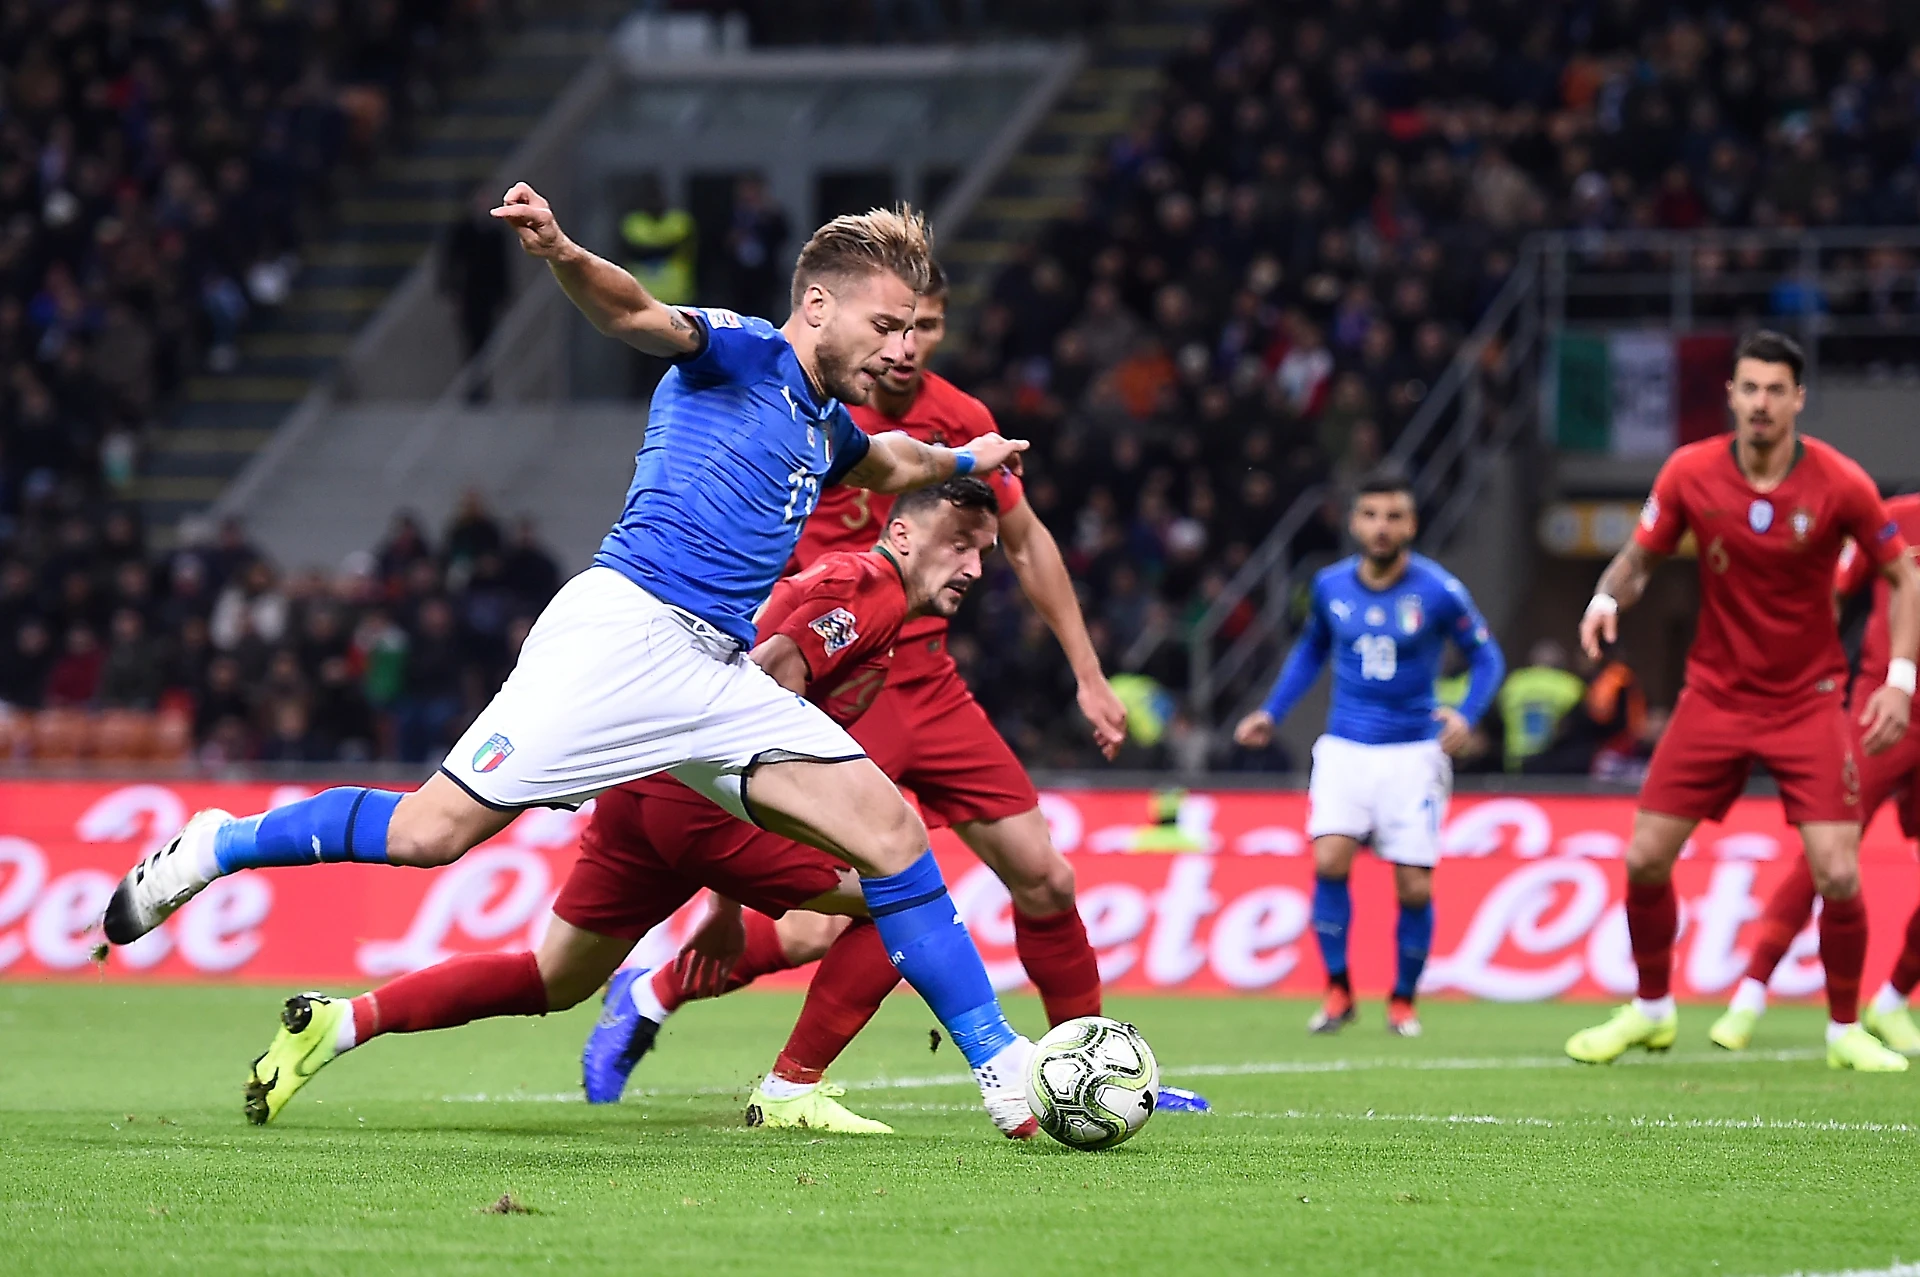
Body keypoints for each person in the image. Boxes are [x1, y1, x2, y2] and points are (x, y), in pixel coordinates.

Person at [105, 184, 1041, 1107]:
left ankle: (1005, 1071)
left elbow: (898, 460)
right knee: (429, 834)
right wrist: (561, 252)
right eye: (885, 326)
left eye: (910, 330)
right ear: (820, 305)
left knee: (893, 835)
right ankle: (220, 843)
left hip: (716, 672)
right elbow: (635, 313)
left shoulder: (826, 426)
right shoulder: (745, 352)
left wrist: (971, 458)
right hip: (623, 635)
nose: (901, 349)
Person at [577, 264, 1209, 1114]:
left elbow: (1025, 541)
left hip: (928, 683)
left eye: (928, 328)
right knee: (820, 921)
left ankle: (1089, 1069)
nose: (909, 346)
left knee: (1047, 878)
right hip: (829, 667)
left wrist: (1089, 673)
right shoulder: (818, 395)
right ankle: (667, 997)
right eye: (896, 327)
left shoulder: (963, 420)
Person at [244, 482, 1035, 1136]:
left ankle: (342, 1023)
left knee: (555, 976)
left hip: (644, 785)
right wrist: (724, 904)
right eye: (958, 543)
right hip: (699, 798)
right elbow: (759, 697)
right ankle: (793, 1086)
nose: (972, 565)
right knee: (893, 892)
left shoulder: (868, 595)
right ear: (902, 532)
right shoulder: (866, 589)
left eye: (984, 553)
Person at [1565, 330, 1920, 1073]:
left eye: (1775, 390)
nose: (1761, 402)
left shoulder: (1840, 482)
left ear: (1798, 399)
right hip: (1715, 697)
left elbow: (1903, 576)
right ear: (1730, 394)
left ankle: (1844, 1029)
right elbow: (1640, 558)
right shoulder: (1690, 471)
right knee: (1644, 858)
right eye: (1749, 387)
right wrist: (1606, 597)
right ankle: (1651, 1010)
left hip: (1809, 701)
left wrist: (1899, 679)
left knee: (1838, 872)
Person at [1233, 473, 1506, 1037]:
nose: (1382, 527)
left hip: (1414, 753)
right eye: (1372, 515)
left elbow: (1487, 658)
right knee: (1329, 859)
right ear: (1355, 522)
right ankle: (1338, 992)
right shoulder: (1329, 585)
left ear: (1412, 525)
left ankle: (1403, 1000)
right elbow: (1311, 649)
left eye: (1394, 516)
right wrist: (1272, 712)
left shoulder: (1439, 590)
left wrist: (1467, 713)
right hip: (1345, 748)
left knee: (1414, 887)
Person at [1709, 491, 1920, 1055]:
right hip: (1883, 711)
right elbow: (1830, 593)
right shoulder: (1894, 520)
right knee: (1827, 853)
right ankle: (1749, 994)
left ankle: (1893, 1000)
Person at [1495, 640, 1586, 772]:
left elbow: (1497, 717)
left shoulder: (1513, 683)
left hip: (1516, 762)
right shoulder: (1570, 685)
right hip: (1553, 762)